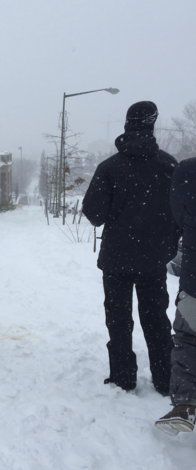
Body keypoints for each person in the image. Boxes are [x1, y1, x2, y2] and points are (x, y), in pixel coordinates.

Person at [82, 101, 180, 395]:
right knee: (157, 320)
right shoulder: (170, 166)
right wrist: (165, 245)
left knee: (118, 319)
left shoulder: (110, 168)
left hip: (116, 259)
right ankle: (165, 379)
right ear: (152, 125)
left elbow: (95, 214)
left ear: (127, 125)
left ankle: (123, 377)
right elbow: (181, 215)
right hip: (153, 259)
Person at [156, 157, 196, 435]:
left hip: (195, 281)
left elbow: (178, 216)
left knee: (189, 339)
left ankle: (186, 404)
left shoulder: (188, 171)